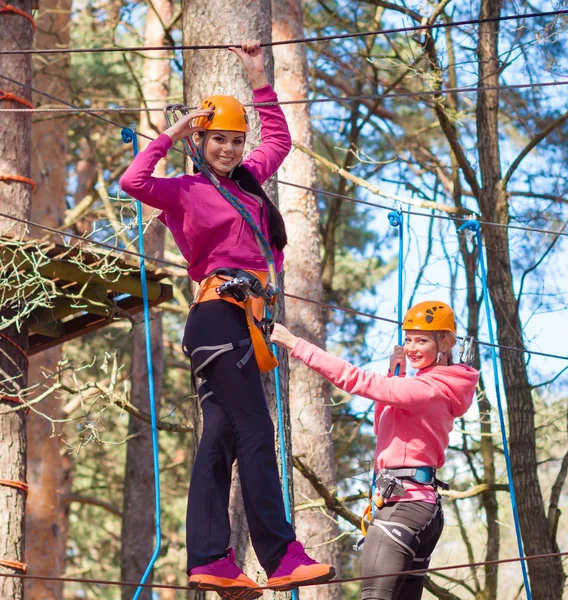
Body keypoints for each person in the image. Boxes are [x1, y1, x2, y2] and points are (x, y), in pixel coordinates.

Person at [120, 40, 334, 600]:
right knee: (256, 430)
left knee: (219, 440)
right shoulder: (187, 190)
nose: (229, 149)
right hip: (218, 316)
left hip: (247, 320)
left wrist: (259, 79)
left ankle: (212, 559)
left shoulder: (249, 179)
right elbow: (133, 183)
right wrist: (173, 131)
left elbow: (280, 140)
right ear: (201, 141)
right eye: (218, 139)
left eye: (236, 141)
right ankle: (282, 555)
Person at [271, 300, 480, 600]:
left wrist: (295, 344)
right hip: (421, 507)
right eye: (408, 339)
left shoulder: (427, 389)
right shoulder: (435, 388)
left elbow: (356, 380)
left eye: (422, 340)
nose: (412, 347)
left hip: (404, 506)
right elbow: (382, 425)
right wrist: (394, 374)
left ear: (445, 342)